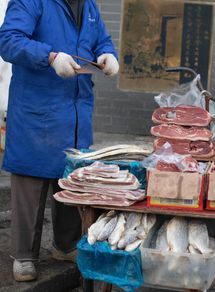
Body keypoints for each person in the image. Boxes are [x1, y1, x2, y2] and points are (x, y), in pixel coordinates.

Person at [0, 0, 119, 282]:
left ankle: (64, 246)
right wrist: (50, 57)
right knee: (31, 184)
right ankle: (24, 255)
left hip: (75, 111)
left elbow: (101, 39)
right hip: (37, 111)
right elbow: (8, 40)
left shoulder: (88, 6)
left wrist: (107, 53)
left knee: (70, 181)